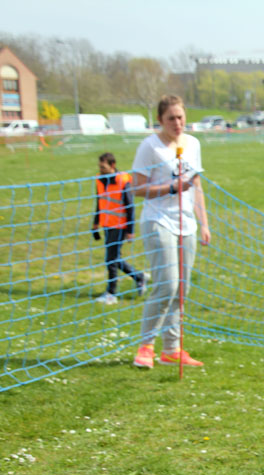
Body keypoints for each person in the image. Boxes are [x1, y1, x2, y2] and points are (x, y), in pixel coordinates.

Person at [131, 95, 211, 369]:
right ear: (160, 120)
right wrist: (171, 188)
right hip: (159, 221)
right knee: (166, 284)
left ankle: (172, 350)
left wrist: (204, 223)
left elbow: (197, 185)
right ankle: (145, 346)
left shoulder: (193, 144)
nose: (177, 123)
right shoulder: (150, 147)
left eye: (180, 117)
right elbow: (137, 188)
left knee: (181, 289)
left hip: (186, 223)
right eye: (170, 119)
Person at [93, 152, 147, 305]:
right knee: (114, 258)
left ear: (112, 165)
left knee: (111, 260)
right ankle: (139, 277)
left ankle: (111, 293)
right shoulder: (99, 180)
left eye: (103, 167)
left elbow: (130, 207)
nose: (101, 169)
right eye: (100, 167)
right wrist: (95, 224)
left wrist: (130, 230)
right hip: (107, 225)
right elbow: (99, 202)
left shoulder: (123, 181)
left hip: (120, 226)